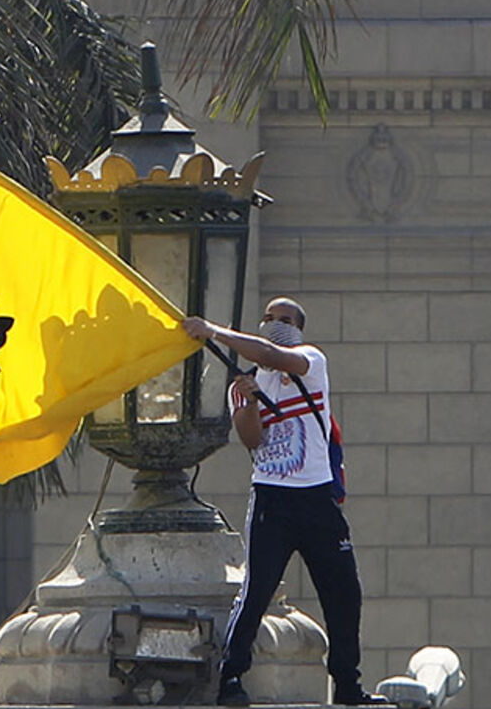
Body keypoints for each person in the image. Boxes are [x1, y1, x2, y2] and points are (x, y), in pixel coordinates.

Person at [183, 297, 387, 707]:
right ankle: (231, 678)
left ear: (300, 329)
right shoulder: (243, 384)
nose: (277, 324)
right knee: (255, 591)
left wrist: (214, 331)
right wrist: (251, 401)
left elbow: (272, 354)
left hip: (317, 499)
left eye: (287, 320)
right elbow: (252, 439)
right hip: (273, 501)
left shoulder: (310, 362)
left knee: (345, 592)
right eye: (271, 318)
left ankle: (348, 685)